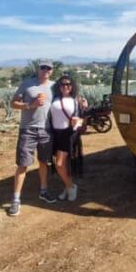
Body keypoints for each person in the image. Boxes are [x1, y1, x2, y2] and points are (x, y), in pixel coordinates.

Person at [8, 60, 56, 216]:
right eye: (43, 67)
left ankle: (44, 191)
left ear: (52, 71)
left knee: (44, 162)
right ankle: (15, 200)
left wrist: (81, 102)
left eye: (49, 68)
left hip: (46, 130)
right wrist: (30, 105)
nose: (46, 70)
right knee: (23, 164)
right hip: (27, 129)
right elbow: (13, 103)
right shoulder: (27, 84)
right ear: (38, 69)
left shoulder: (54, 87)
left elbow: (65, 100)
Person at [50, 74, 84, 202]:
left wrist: (78, 122)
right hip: (55, 134)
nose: (66, 86)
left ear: (72, 86)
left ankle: (71, 187)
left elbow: (81, 118)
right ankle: (67, 186)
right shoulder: (54, 99)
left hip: (68, 134)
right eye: (63, 84)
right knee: (63, 165)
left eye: (68, 84)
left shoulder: (76, 100)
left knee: (59, 164)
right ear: (59, 86)